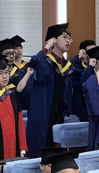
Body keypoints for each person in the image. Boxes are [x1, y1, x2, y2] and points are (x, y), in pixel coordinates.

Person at [25, 23, 77, 154]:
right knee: (44, 145)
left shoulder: (66, 65)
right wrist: (46, 47)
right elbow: (34, 62)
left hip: (59, 112)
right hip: (44, 112)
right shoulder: (45, 61)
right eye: (64, 37)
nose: (68, 41)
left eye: (69, 38)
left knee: (57, 149)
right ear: (54, 40)